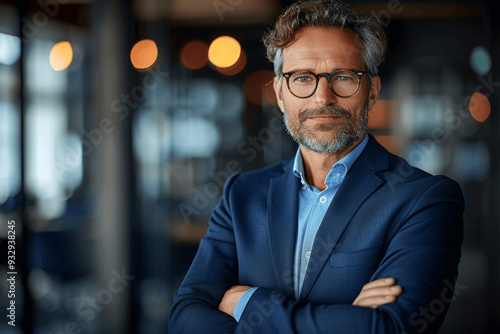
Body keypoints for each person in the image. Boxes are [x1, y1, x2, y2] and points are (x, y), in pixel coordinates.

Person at [168, 1, 464, 333]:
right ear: (280, 93)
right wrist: (344, 316)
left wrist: (246, 302)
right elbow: (185, 319)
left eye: (343, 77)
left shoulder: (425, 199)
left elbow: (390, 328)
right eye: (303, 78)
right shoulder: (242, 195)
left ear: (371, 92)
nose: (322, 97)